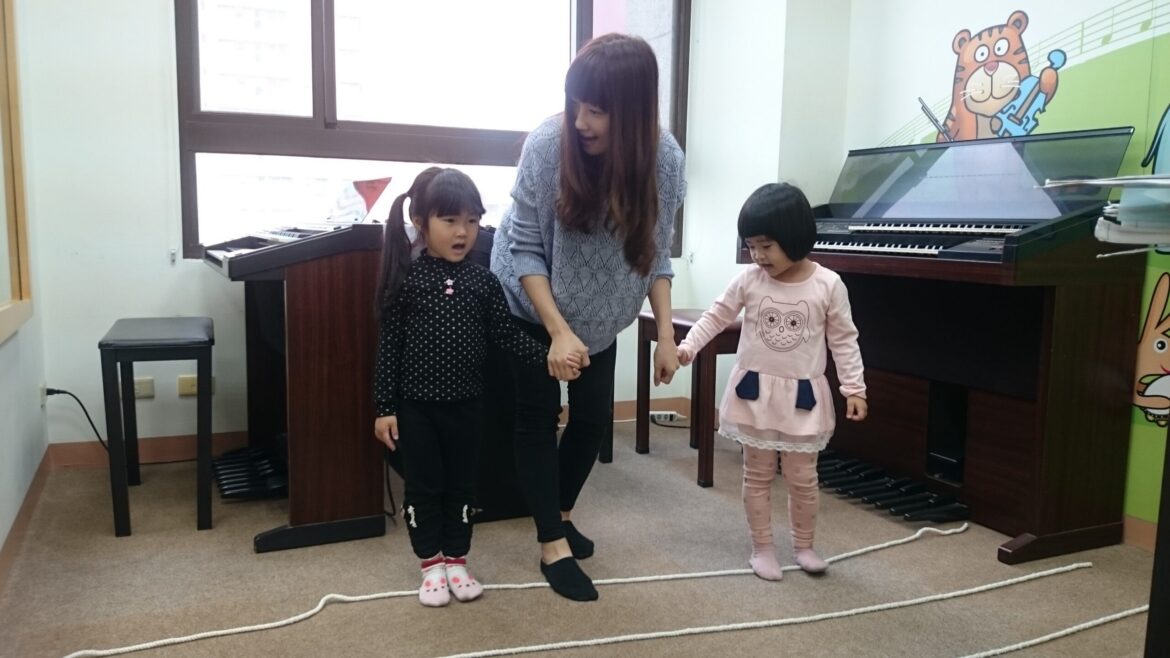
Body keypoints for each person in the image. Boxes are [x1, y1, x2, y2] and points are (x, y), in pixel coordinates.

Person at [490, 33, 687, 601]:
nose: (581, 121)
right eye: (576, 104)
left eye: (597, 110)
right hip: (531, 303)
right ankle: (551, 543)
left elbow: (657, 255)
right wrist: (556, 331)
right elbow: (525, 247)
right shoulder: (547, 146)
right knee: (537, 417)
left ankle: (561, 513)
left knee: (593, 419)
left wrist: (665, 336)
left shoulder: (666, 161)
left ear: (634, 111)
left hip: (603, 315)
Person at [373, 167, 554, 607]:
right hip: (417, 410)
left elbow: (507, 337)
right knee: (424, 486)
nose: (462, 232)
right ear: (421, 222)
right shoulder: (408, 280)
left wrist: (550, 357)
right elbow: (388, 347)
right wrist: (384, 408)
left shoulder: (483, 282)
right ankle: (431, 564)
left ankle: (456, 559)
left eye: (472, 221)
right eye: (450, 220)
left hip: (468, 407)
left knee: (463, 486)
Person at [676, 182, 868, 581]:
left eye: (766, 246)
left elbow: (844, 340)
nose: (758, 255)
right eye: (751, 246)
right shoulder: (749, 280)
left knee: (803, 479)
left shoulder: (828, 284)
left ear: (795, 237)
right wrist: (689, 346)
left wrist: (854, 388)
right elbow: (716, 315)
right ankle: (762, 548)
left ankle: (804, 546)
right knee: (757, 474)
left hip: (802, 398)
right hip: (755, 395)